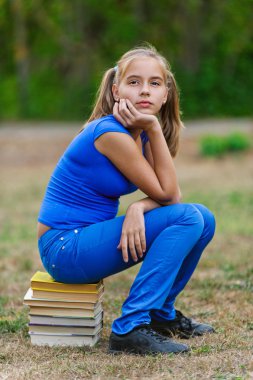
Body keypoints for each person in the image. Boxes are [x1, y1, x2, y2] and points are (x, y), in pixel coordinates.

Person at [37, 44, 216, 355]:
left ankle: (161, 315)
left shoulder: (140, 133)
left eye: (154, 83)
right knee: (188, 217)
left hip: (86, 241)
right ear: (116, 89)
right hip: (64, 247)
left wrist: (138, 206)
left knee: (203, 218)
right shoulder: (110, 133)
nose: (144, 91)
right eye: (134, 82)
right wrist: (153, 126)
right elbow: (171, 196)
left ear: (166, 92)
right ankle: (130, 327)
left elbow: (169, 195)